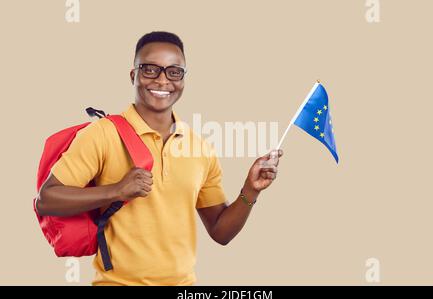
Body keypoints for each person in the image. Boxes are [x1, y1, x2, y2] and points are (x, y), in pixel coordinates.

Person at [36, 31, 283, 286]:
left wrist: (250, 191)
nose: (162, 80)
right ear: (133, 75)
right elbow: (47, 200)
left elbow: (221, 232)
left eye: (174, 72)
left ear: (184, 79)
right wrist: (116, 190)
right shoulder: (102, 134)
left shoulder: (200, 147)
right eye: (150, 70)